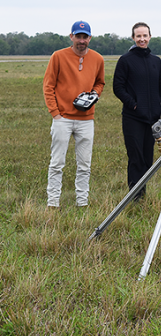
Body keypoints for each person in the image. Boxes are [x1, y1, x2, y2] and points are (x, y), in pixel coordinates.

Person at [43, 20, 105, 208]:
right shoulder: (58, 56)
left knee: (84, 164)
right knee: (57, 163)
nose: (81, 40)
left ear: (90, 38)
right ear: (71, 37)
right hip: (63, 119)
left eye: (85, 37)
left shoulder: (98, 59)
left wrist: (94, 94)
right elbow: (48, 86)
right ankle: (53, 202)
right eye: (78, 36)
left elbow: (100, 82)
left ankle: (82, 202)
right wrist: (55, 113)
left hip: (86, 119)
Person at [113, 22, 161, 201]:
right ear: (133, 38)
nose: (142, 39)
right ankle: (135, 197)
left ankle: (142, 193)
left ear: (150, 37)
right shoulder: (125, 60)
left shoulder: (156, 61)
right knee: (135, 157)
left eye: (145, 36)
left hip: (152, 119)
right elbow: (118, 87)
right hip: (133, 118)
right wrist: (133, 104)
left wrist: (160, 107)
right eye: (138, 36)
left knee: (147, 159)